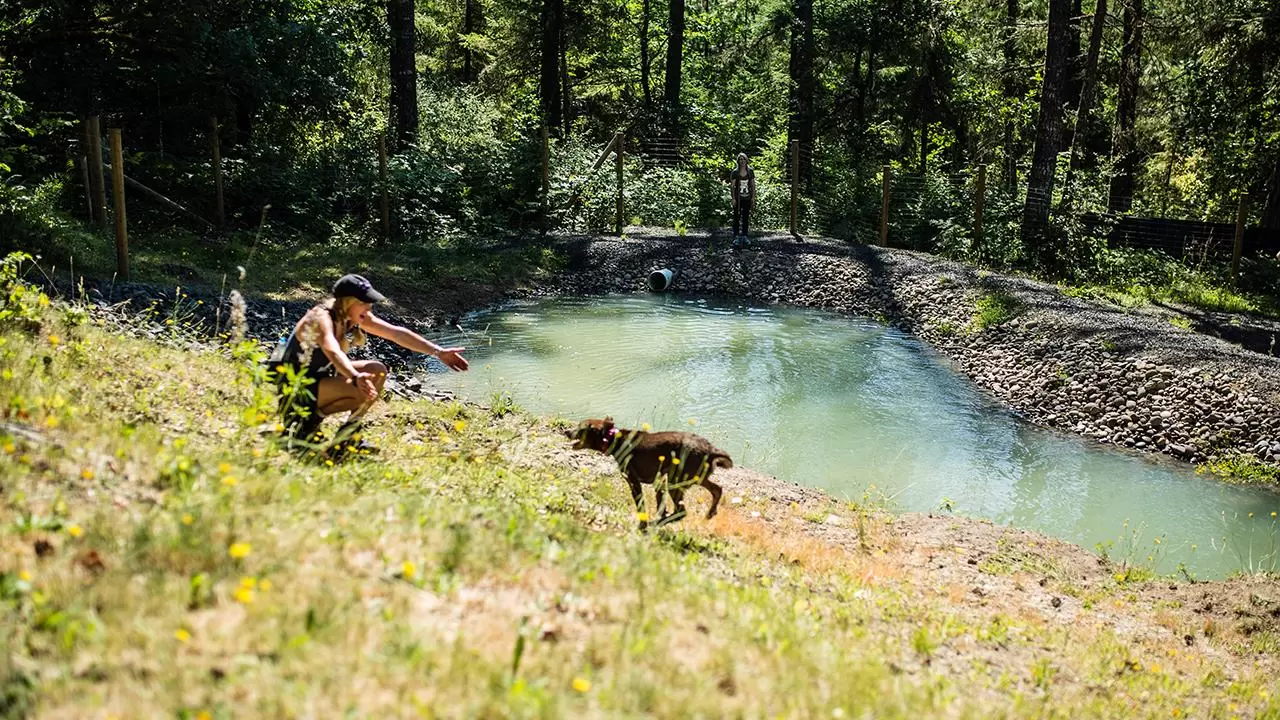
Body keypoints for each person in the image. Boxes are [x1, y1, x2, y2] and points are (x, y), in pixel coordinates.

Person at [269, 273, 469, 453]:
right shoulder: (322, 318)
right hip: (294, 391)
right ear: (348, 302)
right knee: (361, 389)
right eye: (364, 303)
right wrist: (354, 377)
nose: (369, 308)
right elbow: (332, 350)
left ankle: (346, 439)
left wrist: (438, 352)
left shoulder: (349, 315)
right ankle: (302, 425)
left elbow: (395, 333)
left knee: (377, 371)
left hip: (318, 383)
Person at [730, 153, 756, 246]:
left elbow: (753, 185)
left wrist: (753, 197)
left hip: (747, 198)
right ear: (738, 161)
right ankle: (736, 236)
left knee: (745, 217)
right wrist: (733, 198)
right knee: (736, 217)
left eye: (743, 159)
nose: (742, 161)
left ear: (746, 160)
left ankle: (745, 236)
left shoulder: (750, 171)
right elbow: (732, 186)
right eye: (740, 159)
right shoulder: (735, 172)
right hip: (738, 198)